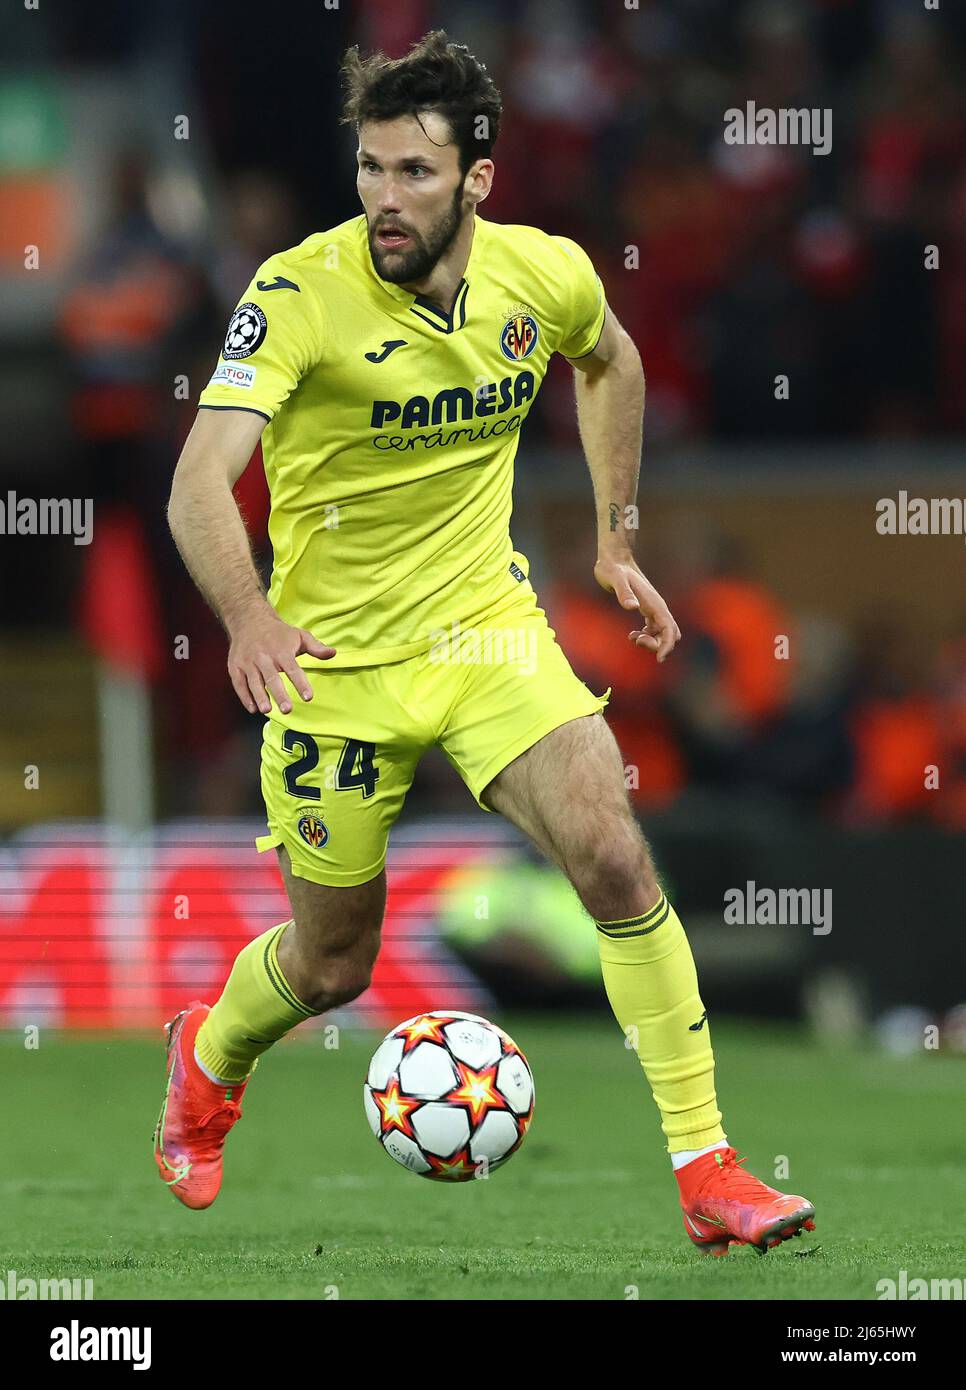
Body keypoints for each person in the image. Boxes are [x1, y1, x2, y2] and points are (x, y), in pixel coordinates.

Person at [157, 30, 814, 1256]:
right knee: (334, 960)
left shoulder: (542, 275)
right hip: (334, 664)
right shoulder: (299, 292)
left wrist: (617, 542)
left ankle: (709, 1169)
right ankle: (206, 1058)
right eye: (369, 169)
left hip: (484, 632)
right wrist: (248, 618)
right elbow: (200, 480)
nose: (384, 200)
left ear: (480, 178)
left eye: (414, 172)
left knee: (616, 857)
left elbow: (609, 358)